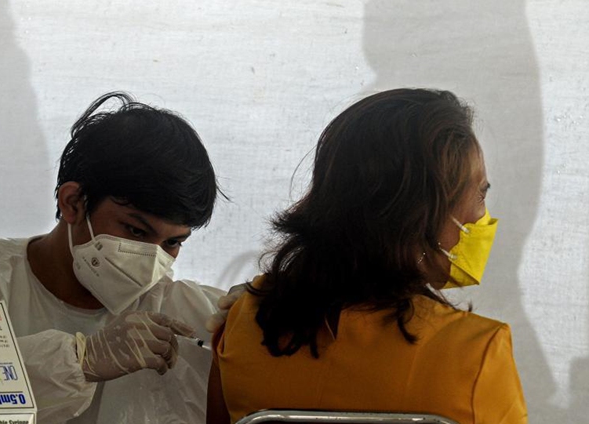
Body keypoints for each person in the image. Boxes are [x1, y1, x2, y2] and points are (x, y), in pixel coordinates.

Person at [0, 91, 226, 423]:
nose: (152, 260)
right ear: (72, 202)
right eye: (135, 231)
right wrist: (79, 360)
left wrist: (264, 313)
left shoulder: (180, 310)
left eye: (173, 243)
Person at [206, 89, 527, 424]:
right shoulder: (477, 354)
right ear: (421, 215)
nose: (483, 217)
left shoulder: (244, 326)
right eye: (479, 195)